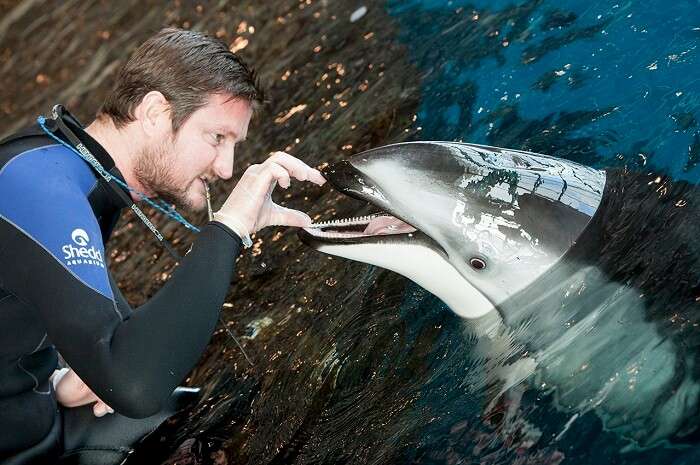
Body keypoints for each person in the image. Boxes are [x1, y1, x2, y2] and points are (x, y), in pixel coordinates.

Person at [0, 27, 325, 463]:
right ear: (154, 112)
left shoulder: (69, 167)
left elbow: (108, 339)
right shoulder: (38, 186)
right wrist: (229, 228)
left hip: (37, 418)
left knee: (230, 411)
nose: (227, 169)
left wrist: (59, 378)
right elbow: (133, 384)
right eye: (217, 138)